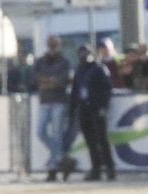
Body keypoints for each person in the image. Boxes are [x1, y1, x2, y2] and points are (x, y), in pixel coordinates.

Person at [70, 44, 115, 181]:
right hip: (84, 109)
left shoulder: (99, 68)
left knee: (102, 139)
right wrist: (73, 109)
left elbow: (107, 89)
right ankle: (96, 168)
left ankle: (110, 168)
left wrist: (103, 107)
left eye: (86, 52)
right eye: (81, 53)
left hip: (97, 108)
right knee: (90, 141)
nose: (84, 55)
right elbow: (75, 91)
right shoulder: (79, 70)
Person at [33, 36, 72, 182]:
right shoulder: (40, 61)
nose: (52, 48)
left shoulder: (64, 61)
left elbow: (61, 81)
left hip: (59, 101)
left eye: (54, 45)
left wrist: (47, 81)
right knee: (40, 132)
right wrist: (51, 81)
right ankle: (63, 158)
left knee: (57, 136)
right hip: (45, 101)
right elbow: (35, 79)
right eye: (50, 45)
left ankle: (53, 169)